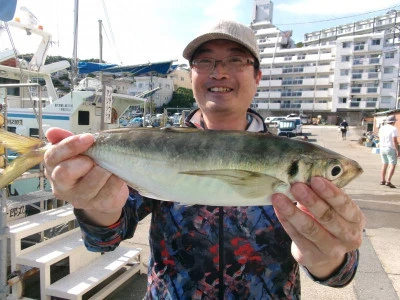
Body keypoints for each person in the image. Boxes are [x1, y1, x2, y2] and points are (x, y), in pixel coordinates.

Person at [43, 20, 365, 299]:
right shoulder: (161, 146)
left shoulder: (287, 156)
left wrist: (329, 259)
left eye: (235, 60)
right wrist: (98, 211)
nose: (219, 72)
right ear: (192, 73)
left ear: (258, 76)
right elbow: (105, 240)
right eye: (205, 61)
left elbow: (341, 272)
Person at [379, 115, 399, 188]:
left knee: (384, 164)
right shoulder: (394, 129)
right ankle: (388, 181)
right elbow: (395, 141)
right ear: (393, 122)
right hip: (390, 148)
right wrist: (397, 150)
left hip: (382, 148)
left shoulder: (382, 128)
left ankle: (382, 180)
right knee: (392, 164)